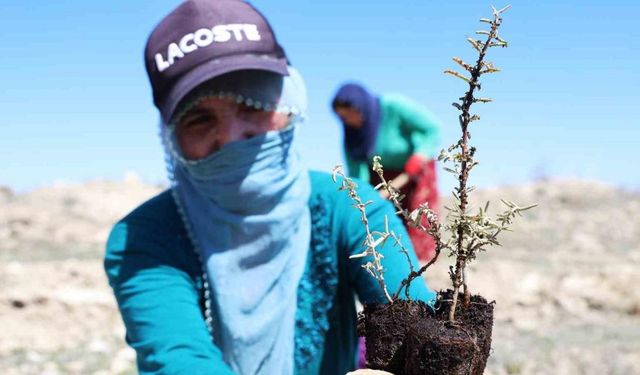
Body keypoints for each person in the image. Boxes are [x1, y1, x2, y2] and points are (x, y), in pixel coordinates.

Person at [104, 1, 435, 374]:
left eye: (253, 103)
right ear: (172, 137)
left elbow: (418, 327)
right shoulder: (143, 239)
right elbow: (180, 360)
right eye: (199, 118)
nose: (232, 137)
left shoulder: (352, 207)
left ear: (289, 102)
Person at [332, 83, 441, 262]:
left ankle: (421, 267)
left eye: (350, 112)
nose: (348, 120)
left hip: (414, 171)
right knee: (385, 224)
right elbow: (358, 174)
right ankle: (393, 264)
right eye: (342, 117)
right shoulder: (352, 138)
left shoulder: (393, 106)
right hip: (382, 179)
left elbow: (431, 128)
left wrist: (420, 155)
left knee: (417, 221)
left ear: (360, 106)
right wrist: (365, 197)